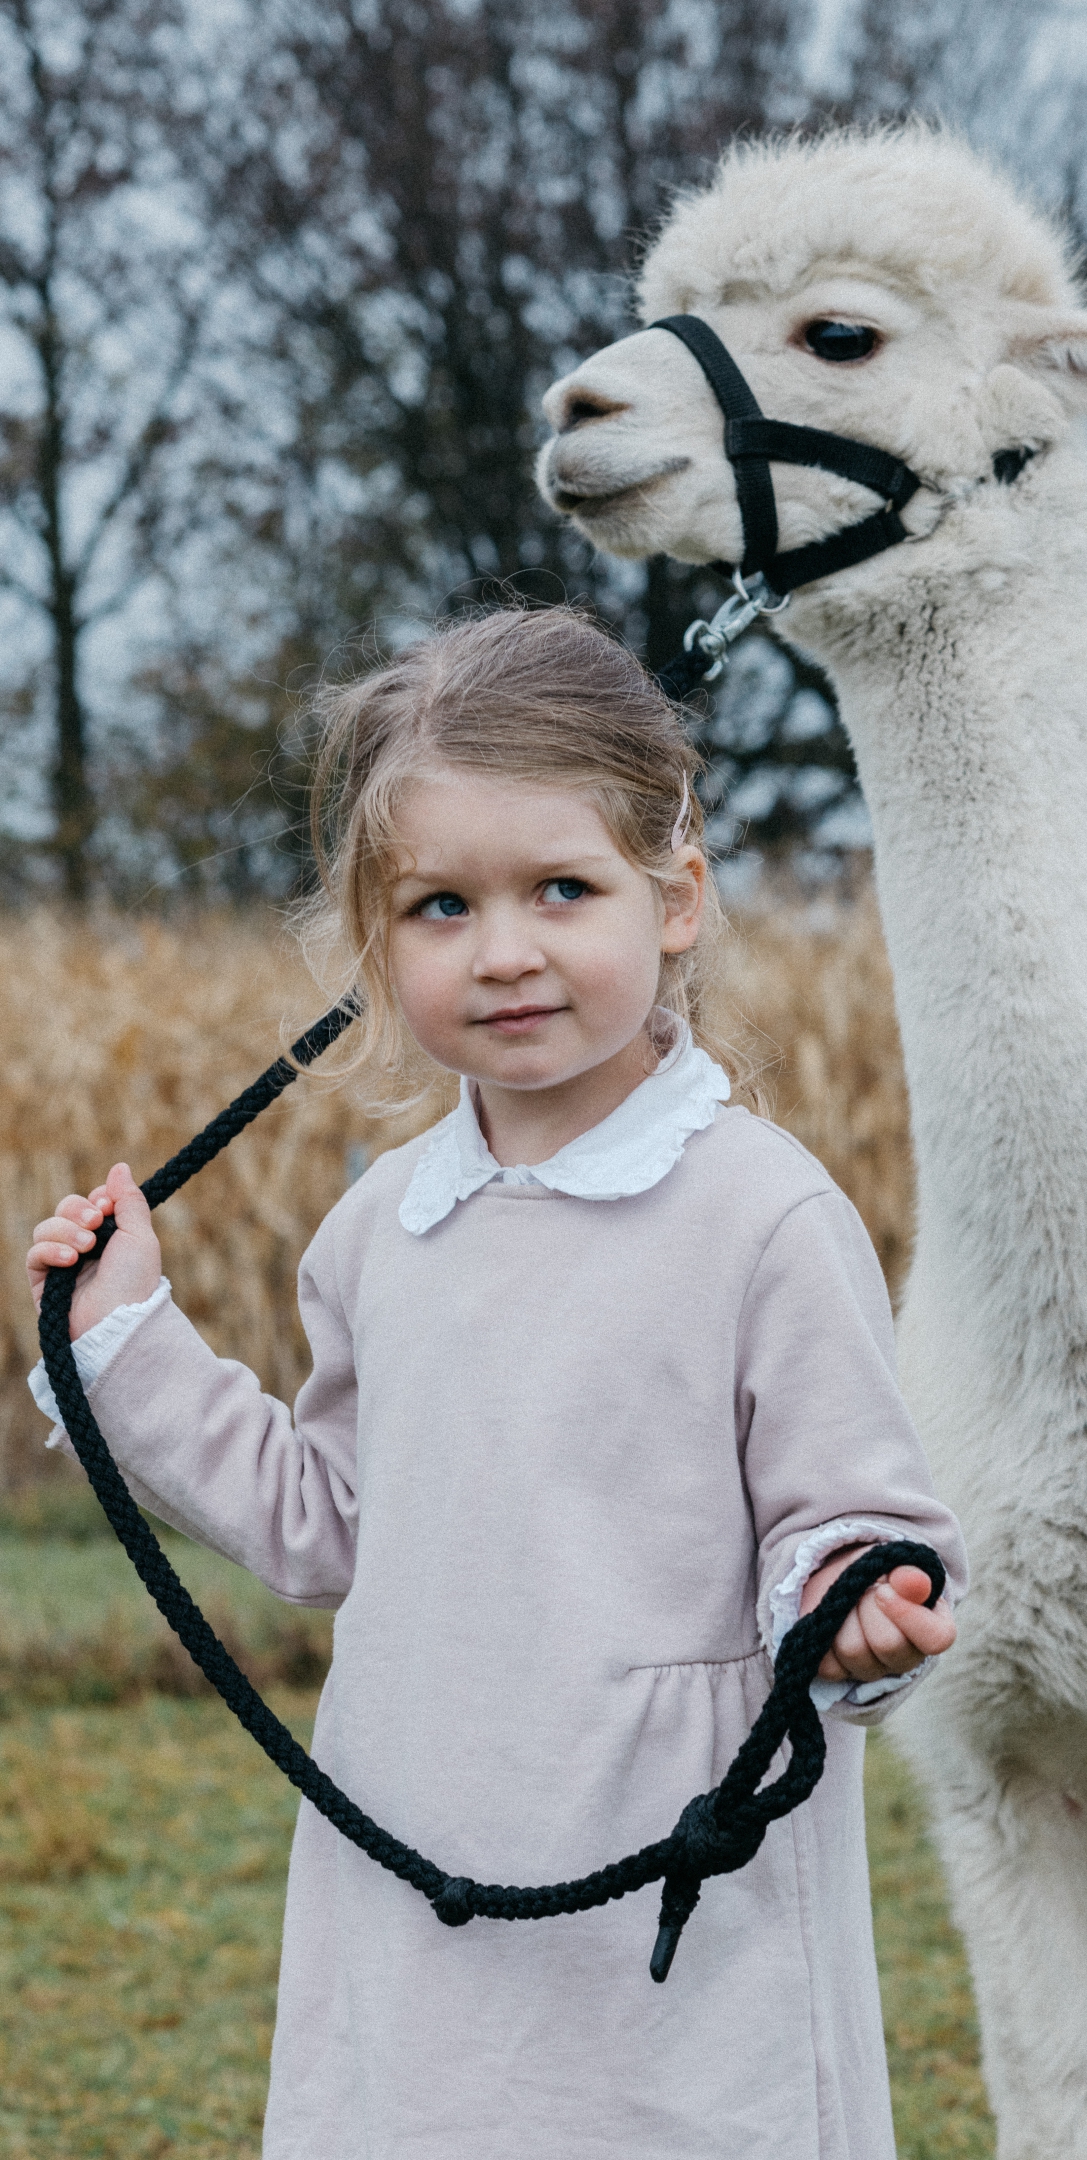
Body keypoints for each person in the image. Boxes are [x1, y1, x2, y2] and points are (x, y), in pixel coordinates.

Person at [27, 607, 966, 2160]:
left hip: (666, 1902)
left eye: (562, 890)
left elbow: (850, 1515)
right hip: (419, 1865)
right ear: (377, 941)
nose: (505, 950)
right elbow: (324, 1527)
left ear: (675, 899)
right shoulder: (380, 1226)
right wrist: (126, 1338)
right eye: (442, 906)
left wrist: (855, 1601)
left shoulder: (762, 1213)